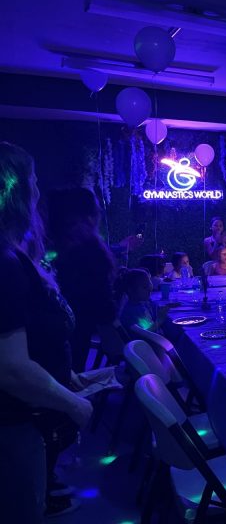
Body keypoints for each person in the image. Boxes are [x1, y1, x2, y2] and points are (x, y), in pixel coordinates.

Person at [0, 143, 93, 522]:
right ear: (15, 189)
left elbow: (28, 338)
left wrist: (64, 375)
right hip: (14, 424)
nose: (38, 190)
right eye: (34, 180)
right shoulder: (4, 262)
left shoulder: (10, 254)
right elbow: (11, 368)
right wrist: (74, 404)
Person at [46, 187, 118, 373]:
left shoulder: (53, 246)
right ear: (89, 215)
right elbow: (102, 302)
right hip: (76, 328)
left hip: (51, 330)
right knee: (71, 373)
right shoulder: (91, 250)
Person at [116, 268, 171, 333]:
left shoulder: (142, 303)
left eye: (149, 285)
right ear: (130, 290)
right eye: (145, 287)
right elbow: (147, 335)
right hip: (151, 342)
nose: (149, 289)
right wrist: (159, 320)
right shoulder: (132, 312)